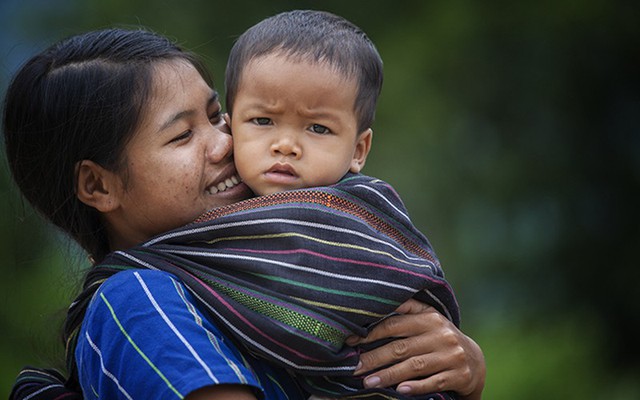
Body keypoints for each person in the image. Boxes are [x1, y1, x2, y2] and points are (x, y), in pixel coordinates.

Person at [3, 26, 484, 400]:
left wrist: (462, 369)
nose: (227, 144)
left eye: (217, 116)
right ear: (98, 185)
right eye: (182, 135)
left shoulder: (267, 275)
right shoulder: (138, 298)